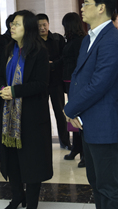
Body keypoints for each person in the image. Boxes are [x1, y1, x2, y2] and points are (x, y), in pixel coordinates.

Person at [64, 0, 118, 209]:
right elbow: (79, 77)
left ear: (101, 8)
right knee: (97, 182)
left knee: (109, 186)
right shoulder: (89, 39)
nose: (81, 8)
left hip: (104, 125)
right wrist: (75, 109)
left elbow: (99, 84)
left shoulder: (111, 40)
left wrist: (70, 108)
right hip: (89, 122)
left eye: (86, 3)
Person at [0, 10, 53, 209]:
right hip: (8, 115)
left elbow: (41, 84)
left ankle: (31, 203)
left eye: (17, 24)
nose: (12, 27)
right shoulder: (9, 49)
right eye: (12, 24)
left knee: (31, 161)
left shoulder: (39, 51)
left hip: (31, 116)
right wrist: (3, 88)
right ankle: (17, 196)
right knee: (12, 159)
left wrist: (15, 91)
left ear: (28, 28)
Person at [36, 13, 71, 150]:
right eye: (39, 26)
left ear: (48, 24)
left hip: (56, 82)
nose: (42, 28)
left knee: (60, 113)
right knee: (42, 115)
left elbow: (65, 57)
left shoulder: (58, 39)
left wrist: (53, 65)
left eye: (44, 25)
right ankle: (44, 143)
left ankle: (65, 141)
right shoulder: (34, 42)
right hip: (41, 84)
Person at [60, 12, 86, 167]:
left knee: (79, 116)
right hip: (69, 82)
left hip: (76, 83)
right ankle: (76, 147)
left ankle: (84, 153)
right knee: (73, 115)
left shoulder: (80, 41)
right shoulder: (71, 40)